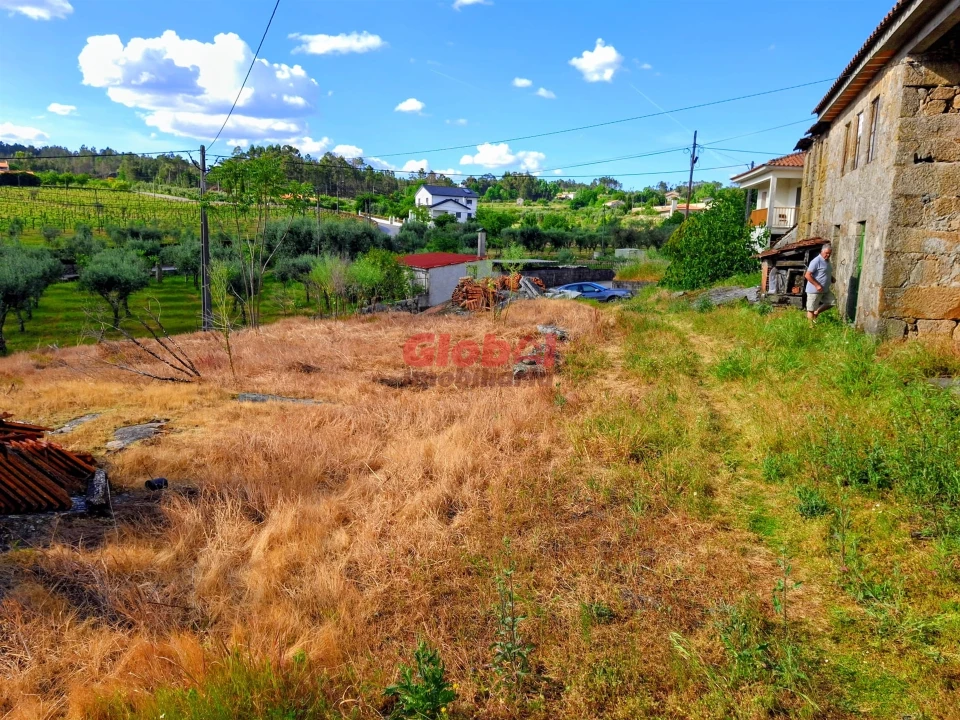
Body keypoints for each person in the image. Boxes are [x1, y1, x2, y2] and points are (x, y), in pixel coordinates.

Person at [804, 244, 834, 326]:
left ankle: (817, 312)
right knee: (811, 309)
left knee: (831, 302)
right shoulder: (816, 261)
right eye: (826, 253)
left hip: (825, 289)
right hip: (814, 290)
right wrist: (817, 285)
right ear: (821, 251)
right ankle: (810, 326)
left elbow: (825, 272)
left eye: (829, 254)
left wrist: (831, 278)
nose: (828, 255)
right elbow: (807, 275)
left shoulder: (827, 261)